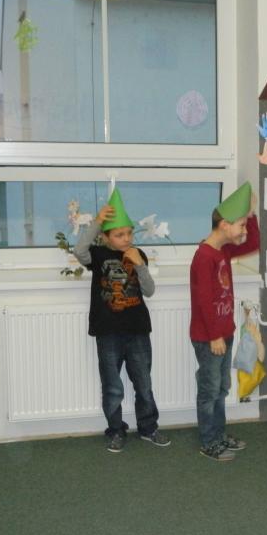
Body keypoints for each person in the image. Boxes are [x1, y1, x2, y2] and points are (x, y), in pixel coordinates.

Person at [75, 188, 170, 453]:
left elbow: (149, 291)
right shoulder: (97, 255)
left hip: (137, 330)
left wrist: (139, 264)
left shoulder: (138, 254)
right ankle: (116, 429)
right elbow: (79, 250)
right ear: (106, 237)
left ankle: (148, 427)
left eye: (129, 233)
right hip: (107, 333)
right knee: (112, 386)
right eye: (119, 234)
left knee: (144, 383)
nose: (126, 238)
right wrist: (97, 221)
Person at [189, 182, 260, 462]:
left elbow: (254, 243)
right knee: (209, 390)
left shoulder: (223, 251)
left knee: (221, 388)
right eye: (241, 225)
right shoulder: (204, 256)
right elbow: (204, 301)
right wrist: (214, 336)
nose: (244, 230)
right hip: (210, 337)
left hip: (223, 333)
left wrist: (251, 214)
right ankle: (209, 441)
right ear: (224, 224)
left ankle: (218, 434)